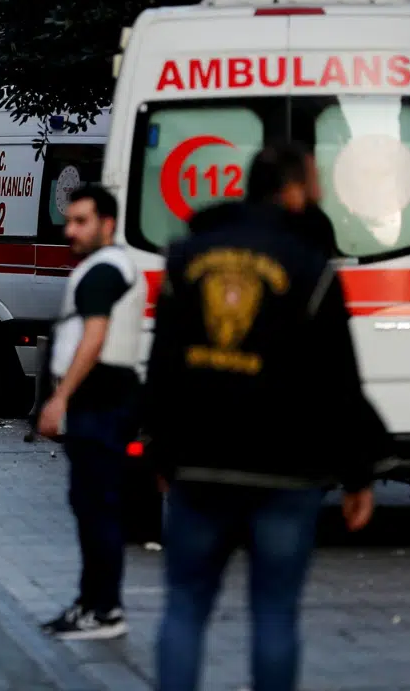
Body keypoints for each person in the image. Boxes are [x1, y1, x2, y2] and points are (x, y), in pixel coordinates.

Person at [143, 143, 383, 691]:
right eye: (315, 183)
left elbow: (163, 365)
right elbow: (339, 382)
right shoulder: (311, 266)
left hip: (199, 465)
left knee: (183, 609)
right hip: (285, 469)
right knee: (274, 615)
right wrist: (358, 472)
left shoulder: (188, 257)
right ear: (294, 190)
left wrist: (157, 446)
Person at [37, 184, 145, 639]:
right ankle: (93, 604)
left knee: (96, 507)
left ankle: (103, 610)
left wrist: (61, 398)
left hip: (100, 402)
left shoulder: (103, 272)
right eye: (70, 220)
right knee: (92, 506)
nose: (70, 230)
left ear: (108, 224)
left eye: (81, 221)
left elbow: (95, 336)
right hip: (104, 401)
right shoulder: (108, 267)